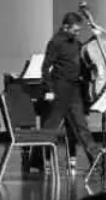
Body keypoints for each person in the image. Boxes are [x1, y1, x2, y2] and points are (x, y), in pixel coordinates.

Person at [40, 11, 97, 168]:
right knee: (50, 127)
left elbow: (84, 50)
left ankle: (96, 161)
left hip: (74, 88)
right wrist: (49, 89)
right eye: (75, 30)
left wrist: (95, 38)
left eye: (79, 31)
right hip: (60, 87)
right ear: (66, 27)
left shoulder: (75, 42)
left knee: (82, 126)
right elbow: (45, 68)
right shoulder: (55, 42)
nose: (77, 33)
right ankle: (39, 161)